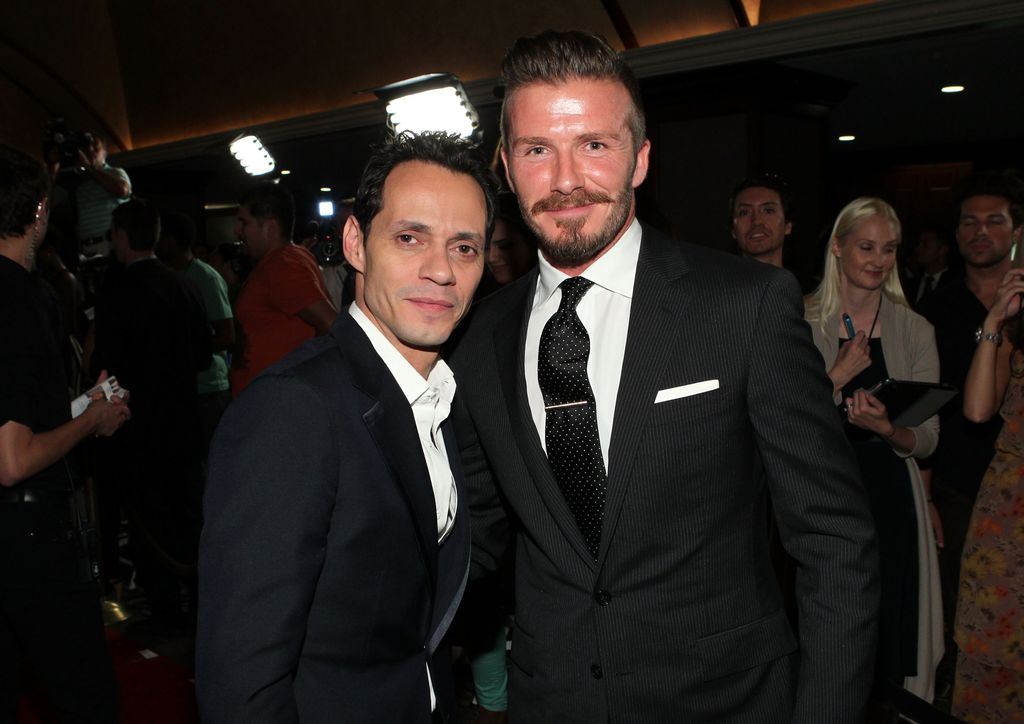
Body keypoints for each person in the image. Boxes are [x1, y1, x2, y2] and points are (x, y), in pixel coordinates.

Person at [451, 30, 878, 722]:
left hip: (723, 702)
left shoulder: (744, 306)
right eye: (536, 150)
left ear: (640, 158)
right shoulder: (477, 338)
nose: (565, 179)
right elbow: (475, 535)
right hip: (554, 701)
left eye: (594, 144)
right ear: (505, 165)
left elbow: (834, 540)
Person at [197, 132, 496, 723]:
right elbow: (241, 683)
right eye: (410, 238)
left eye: (464, 248)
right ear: (356, 242)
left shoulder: (439, 398)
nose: (441, 270)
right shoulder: (294, 410)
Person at [0, 144, 129, 722]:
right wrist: (93, 419)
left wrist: (79, 408)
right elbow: (13, 460)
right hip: (26, 534)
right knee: (88, 700)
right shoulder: (20, 297)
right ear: (38, 212)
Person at [804, 197, 943, 700]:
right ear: (837, 247)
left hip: (892, 495)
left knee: (894, 631)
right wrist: (837, 376)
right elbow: (785, 422)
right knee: (830, 632)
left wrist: (887, 428)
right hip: (822, 496)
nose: (879, 260)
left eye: (889, 249)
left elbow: (927, 437)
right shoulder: (800, 320)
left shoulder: (915, 329)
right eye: (866, 247)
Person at [90, 198, 211, 624]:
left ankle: (165, 612)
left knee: (148, 522)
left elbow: (105, 367)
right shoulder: (183, 285)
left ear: (122, 236)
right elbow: (204, 355)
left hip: (137, 427)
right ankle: (200, 606)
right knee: (188, 517)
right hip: (183, 423)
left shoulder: (116, 291)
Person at [953, 223, 1024, 720]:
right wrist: (996, 316)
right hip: (1007, 513)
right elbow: (978, 409)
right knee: (992, 654)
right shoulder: (1013, 331)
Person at [230, 182, 337, 396]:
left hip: (274, 400)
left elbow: (330, 323)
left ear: (269, 227)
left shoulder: (282, 266)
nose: (237, 231)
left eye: (244, 222)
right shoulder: (294, 256)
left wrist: (300, 384)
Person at [155, 211, 234, 453]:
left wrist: (184, 348)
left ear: (171, 240)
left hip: (208, 387)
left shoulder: (206, 278)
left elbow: (227, 335)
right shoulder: (170, 276)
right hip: (184, 387)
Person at [73, 134, 131, 258]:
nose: (90, 150)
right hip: (87, 249)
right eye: (86, 147)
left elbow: (121, 190)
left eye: (95, 146)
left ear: (104, 152)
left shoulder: (115, 172)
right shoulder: (78, 181)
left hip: (112, 245)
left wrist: (90, 167)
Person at [729, 172, 793, 269]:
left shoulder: (799, 279)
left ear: (787, 225)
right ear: (733, 230)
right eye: (744, 212)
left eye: (768, 211)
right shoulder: (713, 278)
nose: (756, 221)